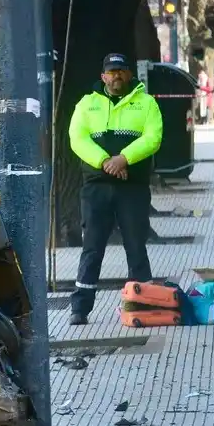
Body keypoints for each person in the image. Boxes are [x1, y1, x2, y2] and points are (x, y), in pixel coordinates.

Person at [67, 53, 164, 325]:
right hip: (97, 186)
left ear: (130, 74)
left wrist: (124, 159)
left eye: (121, 71)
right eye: (111, 71)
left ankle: (143, 304)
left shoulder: (146, 104)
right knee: (92, 247)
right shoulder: (87, 104)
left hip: (132, 187)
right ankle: (80, 308)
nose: (116, 76)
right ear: (103, 76)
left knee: (136, 245)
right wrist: (106, 162)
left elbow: (153, 138)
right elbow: (77, 139)